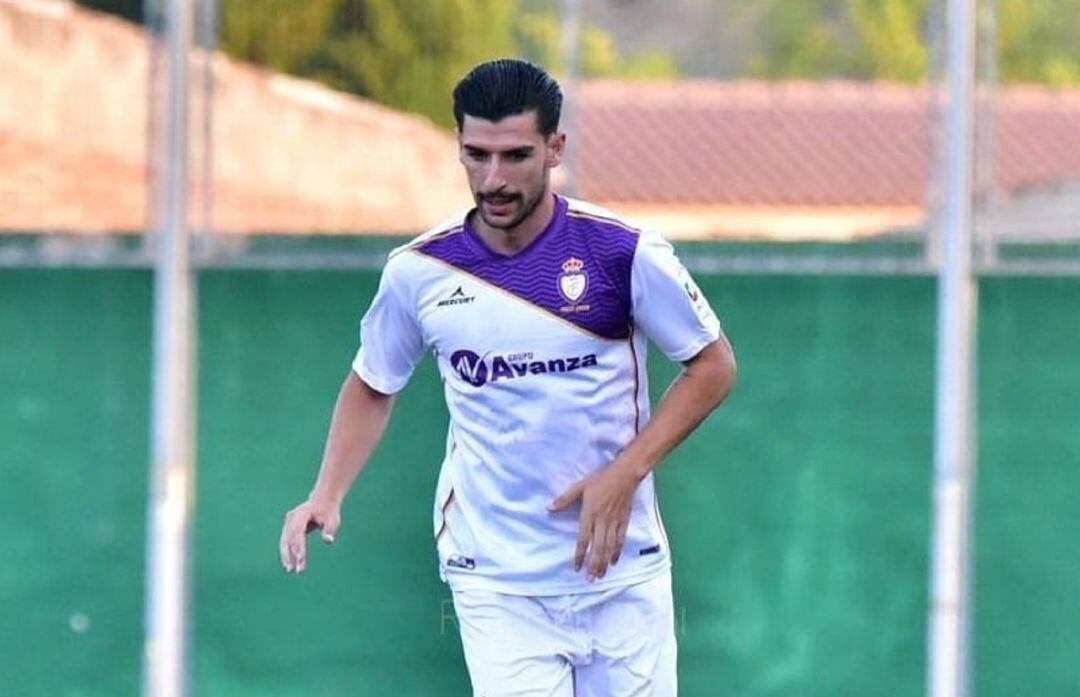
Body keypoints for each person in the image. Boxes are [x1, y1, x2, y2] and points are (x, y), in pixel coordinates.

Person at [279, 58, 736, 696]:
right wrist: (326, 493)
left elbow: (712, 365)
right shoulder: (419, 273)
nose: (493, 178)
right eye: (476, 155)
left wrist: (625, 472)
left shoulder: (623, 254)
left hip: (620, 571)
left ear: (555, 148)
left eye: (516, 155)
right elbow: (372, 382)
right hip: (494, 577)